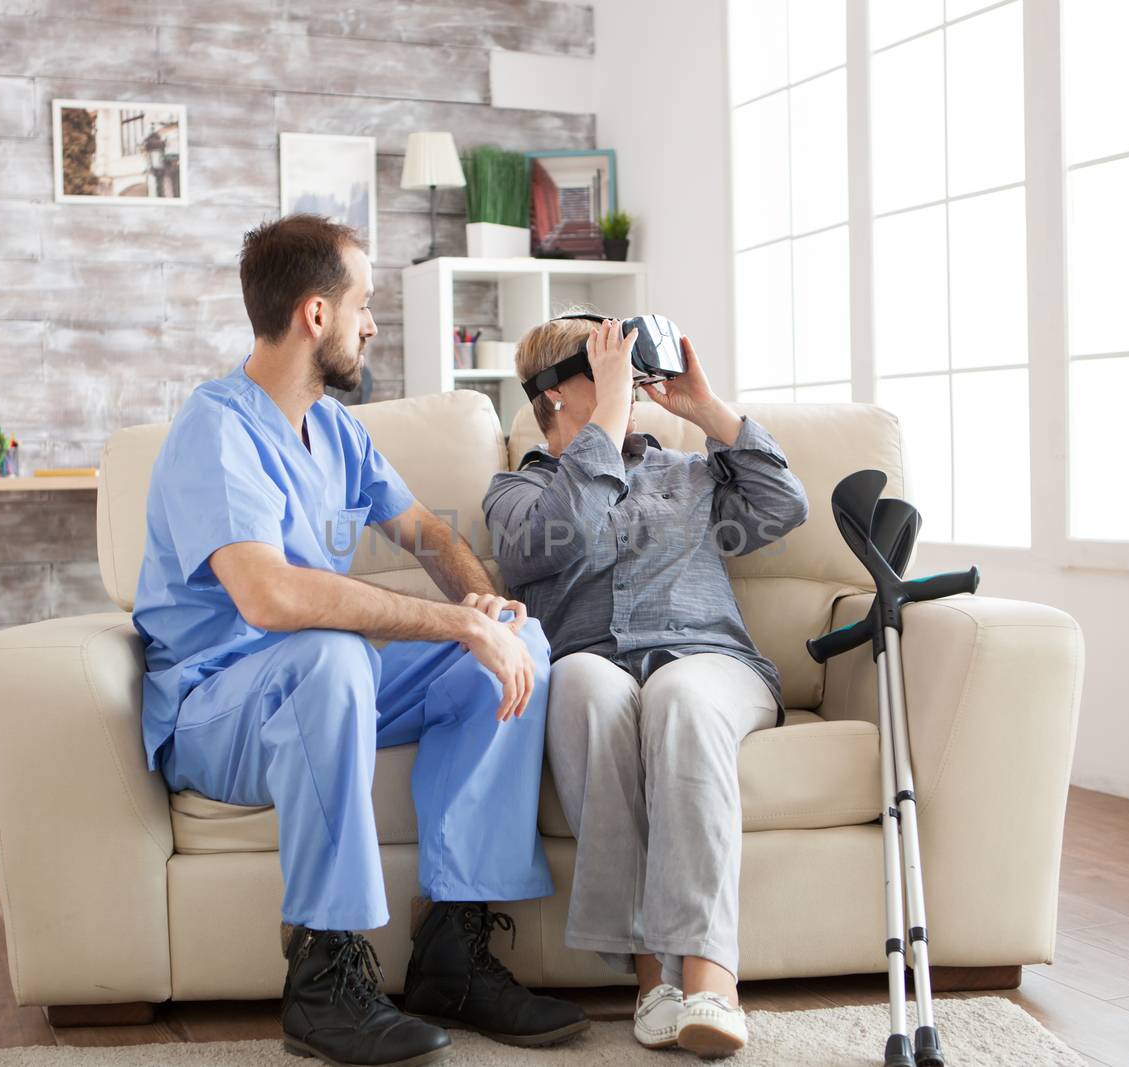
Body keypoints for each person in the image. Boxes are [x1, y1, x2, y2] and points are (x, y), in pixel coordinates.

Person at [133, 215, 587, 1067]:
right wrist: (453, 621)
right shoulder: (216, 430)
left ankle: (454, 954)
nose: (372, 323)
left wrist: (483, 608)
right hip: (216, 709)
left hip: (322, 687)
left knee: (516, 652)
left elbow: (424, 532)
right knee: (332, 651)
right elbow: (269, 598)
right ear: (314, 314)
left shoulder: (335, 430)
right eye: (365, 304)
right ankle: (322, 977)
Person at [483, 316, 809, 1059]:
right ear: (557, 394)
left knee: (680, 696)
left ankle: (710, 978)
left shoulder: (689, 472)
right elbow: (544, 541)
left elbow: (784, 507)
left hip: (709, 662)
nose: (625, 382)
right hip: (591, 660)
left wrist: (704, 410)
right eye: (605, 368)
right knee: (582, 685)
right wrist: (605, 420)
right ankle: (650, 979)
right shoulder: (519, 489)